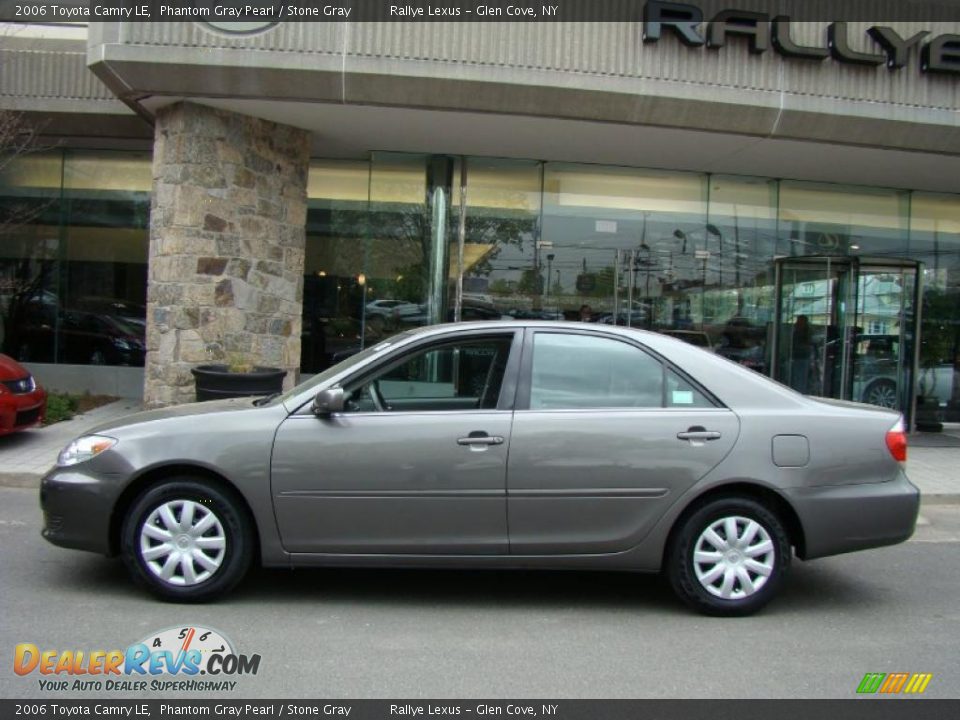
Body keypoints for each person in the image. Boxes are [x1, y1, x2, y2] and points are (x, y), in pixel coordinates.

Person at [791, 314, 812, 393]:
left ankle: (799, 392)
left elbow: (804, 345)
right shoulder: (799, 332)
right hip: (799, 357)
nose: (796, 323)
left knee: (800, 378)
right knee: (799, 378)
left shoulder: (803, 333)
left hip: (801, 357)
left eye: (799, 321)